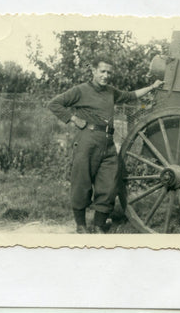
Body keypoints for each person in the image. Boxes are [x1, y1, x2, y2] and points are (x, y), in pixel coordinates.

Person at [48, 57, 164, 234]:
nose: (106, 75)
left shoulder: (111, 92)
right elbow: (54, 103)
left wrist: (152, 87)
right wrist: (73, 118)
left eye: (109, 72)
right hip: (88, 139)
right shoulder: (81, 90)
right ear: (93, 71)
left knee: (109, 184)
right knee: (82, 182)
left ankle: (98, 225)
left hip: (108, 143)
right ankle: (81, 226)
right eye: (102, 71)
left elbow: (131, 95)